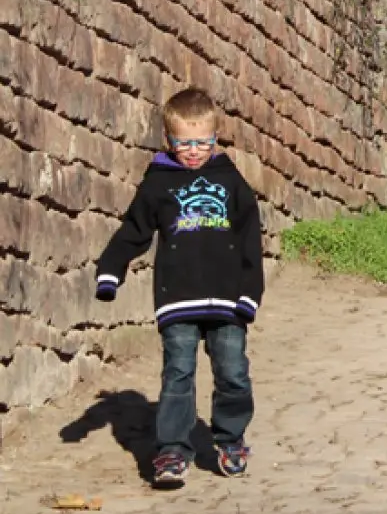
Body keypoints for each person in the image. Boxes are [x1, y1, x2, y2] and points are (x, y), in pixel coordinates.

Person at [95, 86, 263, 488]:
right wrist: (110, 270)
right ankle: (172, 449)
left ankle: (230, 439)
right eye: (184, 143)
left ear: (215, 137)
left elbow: (249, 238)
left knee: (233, 372)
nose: (193, 151)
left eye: (203, 142)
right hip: (178, 298)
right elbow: (134, 230)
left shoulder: (230, 181)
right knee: (178, 375)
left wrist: (249, 294)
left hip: (228, 300)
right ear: (168, 139)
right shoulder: (158, 184)